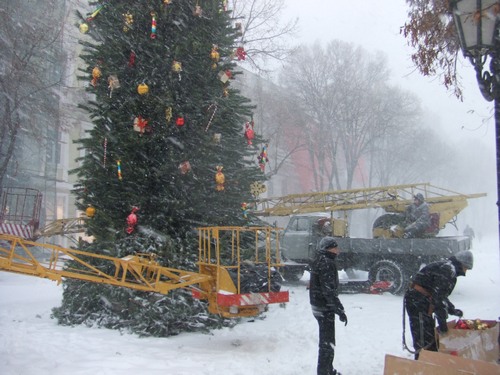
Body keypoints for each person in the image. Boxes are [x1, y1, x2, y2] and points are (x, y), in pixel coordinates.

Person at [404, 250, 473, 360]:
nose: (465, 271)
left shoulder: (447, 268)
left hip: (420, 300)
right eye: (466, 268)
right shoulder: (448, 270)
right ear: (461, 264)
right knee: (423, 340)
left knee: (429, 338)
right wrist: (442, 324)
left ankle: (428, 363)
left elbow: (440, 295)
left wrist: (452, 310)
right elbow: (439, 298)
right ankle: (421, 365)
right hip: (417, 301)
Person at [309, 236, 348, 375]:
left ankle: (326, 370)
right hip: (324, 307)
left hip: (317, 306)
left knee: (326, 342)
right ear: (329, 248)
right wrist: (339, 309)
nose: (338, 250)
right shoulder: (327, 262)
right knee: (327, 343)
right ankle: (325, 371)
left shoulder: (319, 260)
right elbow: (328, 290)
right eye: (336, 247)